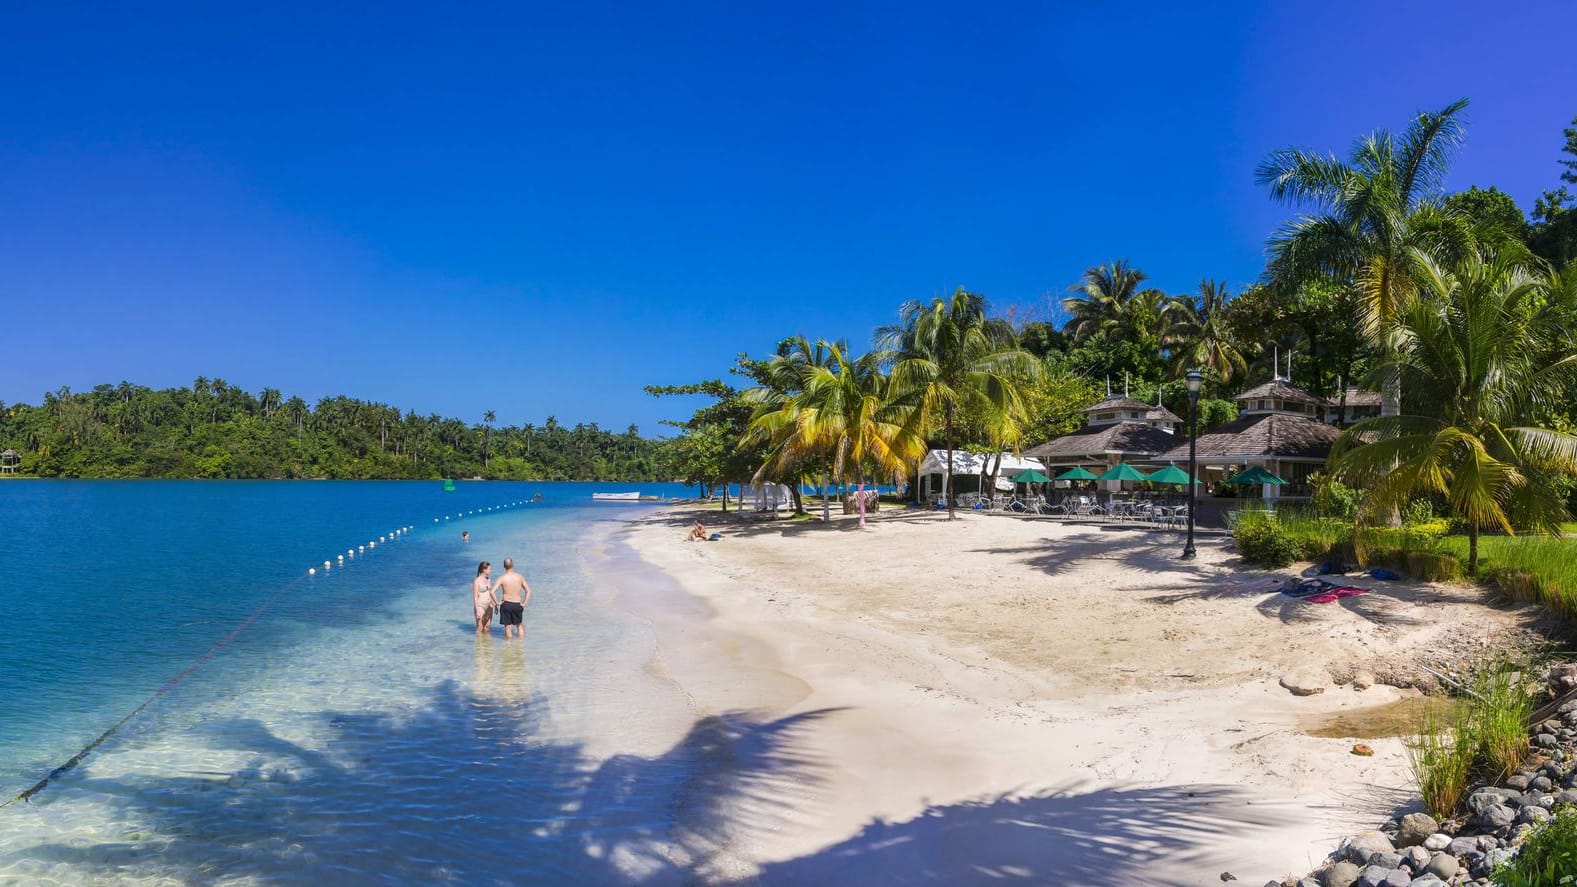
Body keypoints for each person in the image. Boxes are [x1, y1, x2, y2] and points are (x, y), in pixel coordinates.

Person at [494, 557, 532, 640]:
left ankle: (508, 646)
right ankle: (521, 644)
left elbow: (491, 592)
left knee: (508, 627)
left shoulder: (501, 578)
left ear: (504, 566)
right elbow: (528, 591)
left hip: (506, 604)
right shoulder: (519, 577)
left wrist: (497, 602)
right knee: (519, 625)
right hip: (517, 604)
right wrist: (524, 603)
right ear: (513, 565)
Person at [471, 561, 495, 635]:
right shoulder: (476, 581)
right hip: (480, 606)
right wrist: (477, 609)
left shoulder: (488, 579)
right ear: (484, 570)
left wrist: (494, 602)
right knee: (480, 628)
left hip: (489, 605)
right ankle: (479, 645)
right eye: (489, 569)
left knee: (487, 626)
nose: (490, 571)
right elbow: (475, 597)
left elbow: (490, 592)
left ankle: (487, 645)